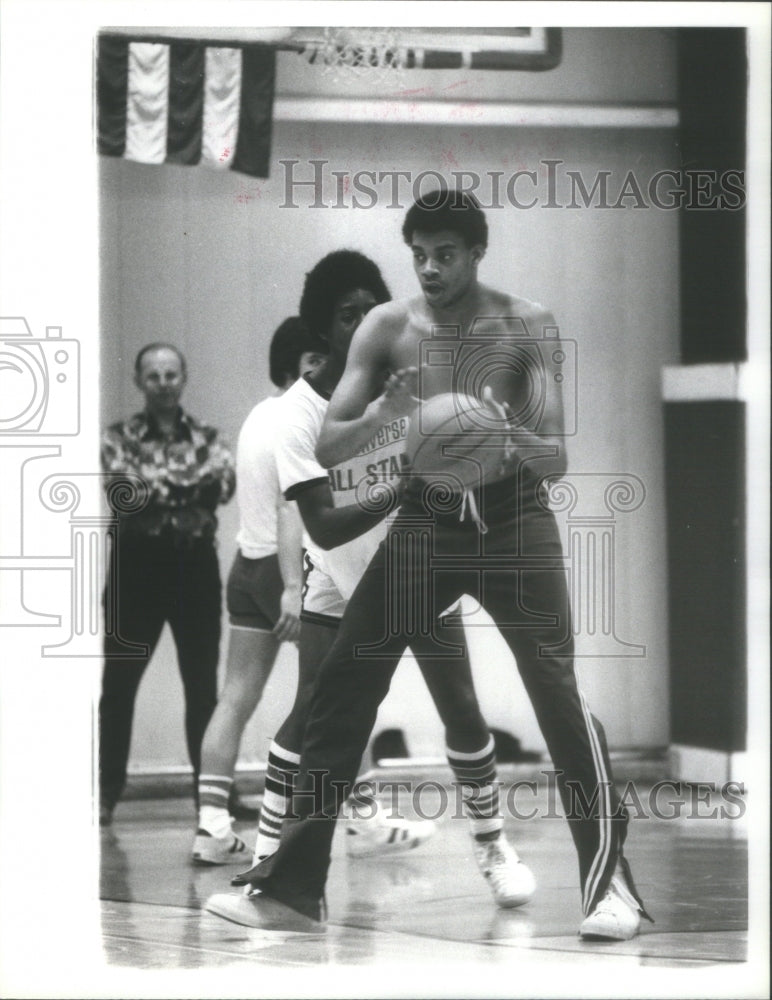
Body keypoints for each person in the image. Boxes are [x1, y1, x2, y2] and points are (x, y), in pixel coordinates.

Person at [207, 192, 654, 942]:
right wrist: (389, 416)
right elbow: (329, 445)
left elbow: (557, 457)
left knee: (558, 694)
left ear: (476, 252)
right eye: (419, 252)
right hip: (427, 518)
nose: (430, 266)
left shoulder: (526, 324)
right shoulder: (387, 328)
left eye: (445, 253)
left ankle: (611, 891)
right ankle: (290, 890)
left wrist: (491, 434)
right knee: (343, 685)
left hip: (513, 520)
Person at [206, 250, 534, 924]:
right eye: (345, 313)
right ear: (321, 326)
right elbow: (322, 528)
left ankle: (494, 847)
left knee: (463, 707)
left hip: (414, 565)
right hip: (337, 578)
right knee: (314, 721)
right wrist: (399, 489)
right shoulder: (294, 417)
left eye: (369, 311)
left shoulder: (411, 380)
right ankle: (268, 869)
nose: (360, 323)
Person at [192, 319, 327, 864]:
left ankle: (211, 827)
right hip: (283, 569)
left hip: (246, 567)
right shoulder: (296, 420)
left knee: (234, 699)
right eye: (324, 359)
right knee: (341, 683)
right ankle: (366, 812)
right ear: (307, 364)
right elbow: (290, 504)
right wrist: (294, 586)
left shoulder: (256, 415)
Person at [99, 344, 235, 826]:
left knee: (202, 690)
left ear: (184, 378)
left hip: (192, 571)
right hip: (136, 572)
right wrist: (188, 488)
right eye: (153, 375)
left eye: (171, 374)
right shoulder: (118, 437)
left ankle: (213, 800)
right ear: (139, 382)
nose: (162, 383)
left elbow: (223, 483)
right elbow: (126, 491)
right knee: (118, 687)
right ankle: (104, 795)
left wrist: (157, 488)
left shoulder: (208, 435)